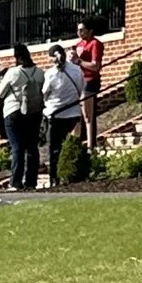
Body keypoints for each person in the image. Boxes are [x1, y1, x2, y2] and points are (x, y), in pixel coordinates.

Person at [0, 44, 43, 191]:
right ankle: (31, 182)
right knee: (32, 147)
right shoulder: (40, 72)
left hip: (14, 111)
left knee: (17, 147)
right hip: (34, 112)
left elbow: (0, 93)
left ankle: (16, 182)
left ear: (17, 57)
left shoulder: (13, 72)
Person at [42, 42, 85, 184]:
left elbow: (44, 94)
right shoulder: (77, 70)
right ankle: (73, 174)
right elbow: (81, 87)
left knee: (54, 149)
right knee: (73, 144)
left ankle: (54, 178)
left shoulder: (50, 74)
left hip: (55, 115)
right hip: (74, 113)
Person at [73, 19, 107, 149]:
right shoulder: (78, 44)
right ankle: (76, 144)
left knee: (88, 114)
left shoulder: (95, 44)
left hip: (90, 80)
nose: (79, 33)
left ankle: (91, 145)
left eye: (82, 30)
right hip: (78, 80)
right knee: (76, 113)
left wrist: (79, 61)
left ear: (90, 30)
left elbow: (95, 66)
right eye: (78, 30)